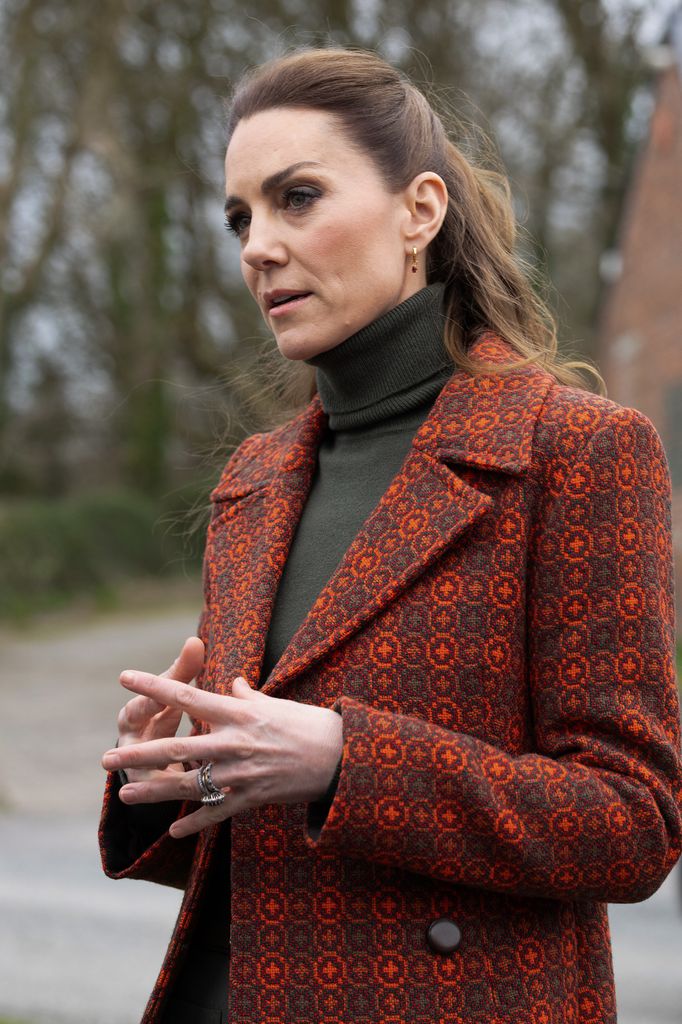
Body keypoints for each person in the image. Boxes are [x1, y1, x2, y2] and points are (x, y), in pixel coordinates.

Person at [99, 47, 682, 1024]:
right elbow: (270, 867)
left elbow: (634, 823)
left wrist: (345, 760)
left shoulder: (576, 450)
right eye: (240, 215)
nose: (256, 245)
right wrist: (170, 777)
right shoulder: (255, 477)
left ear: (420, 210)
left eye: (296, 197)